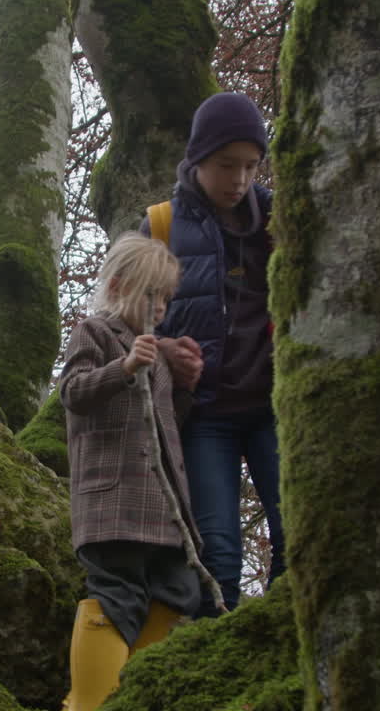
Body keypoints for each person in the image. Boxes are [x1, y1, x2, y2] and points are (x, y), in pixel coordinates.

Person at [141, 91, 286, 616]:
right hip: (206, 415)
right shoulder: (161, 226)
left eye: (251, 165)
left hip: (278, 407)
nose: (239, 179)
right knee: (217, 556)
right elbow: (121, 324)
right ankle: (219, 650)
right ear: (198, 157)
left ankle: (284, 644)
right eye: (227, 164)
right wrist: (162, 349)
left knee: (300, 536)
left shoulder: (281, 219)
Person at [58, 232, 204, 711]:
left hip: (162, 508)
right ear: (119, 286)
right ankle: (89, 702)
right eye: (151, 294)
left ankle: (132, 694)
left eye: (166, 298)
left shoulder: (156, 355)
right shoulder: (95, 332)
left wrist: (185, 388)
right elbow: (74, 393)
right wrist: (122, 367)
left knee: (180, 591)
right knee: (117, 594)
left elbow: (164, 424)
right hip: (113, 503)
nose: (160, 307)